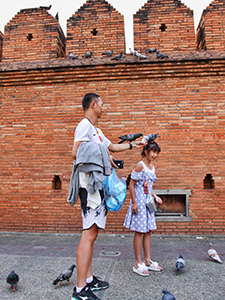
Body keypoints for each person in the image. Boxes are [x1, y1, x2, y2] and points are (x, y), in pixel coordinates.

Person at [69, 93, 144, 300]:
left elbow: (111, 146)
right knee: (89, 234)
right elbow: (76, 153)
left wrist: (132, 146)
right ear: (93, 105)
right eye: (102, 104)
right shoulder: (84, 125)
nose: (104, 107)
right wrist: (103, 155)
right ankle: (80, 289)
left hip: (98, 186)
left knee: (93, 234)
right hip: (90, 187)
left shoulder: (96, 130)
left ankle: (89, 279)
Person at [124, 140, 163, 276]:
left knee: (148, 231)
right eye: (153, 151)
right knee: (139, 232)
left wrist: (155, 196)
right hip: (139, 204)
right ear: (146, 151)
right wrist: (134, 203)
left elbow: (149, 186)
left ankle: (147, 261)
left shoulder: (152, 168)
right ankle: (137, 263)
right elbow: (131, 184)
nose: (155, 155)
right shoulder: (140, 166)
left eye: (157, 152)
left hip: (148, 204)